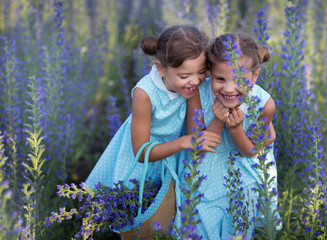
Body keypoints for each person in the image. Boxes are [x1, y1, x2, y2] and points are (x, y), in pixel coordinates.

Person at [85, 25, 221, 231]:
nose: (195, 81)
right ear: (161, 68)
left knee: (168, 216)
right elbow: (141, 152)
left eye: (202, 72)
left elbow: (196, 132)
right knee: (137, 215)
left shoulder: (191, 86)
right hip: (144, 160)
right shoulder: (145, 93)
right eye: (184, 76)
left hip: (173, 156)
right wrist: (185, 142)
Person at [181, 32, 280, 239]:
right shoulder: (198, 94)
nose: (228, 88)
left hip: (246, 171)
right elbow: (197, 144)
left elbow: (251, 151)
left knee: (240, 223)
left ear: (255, 76)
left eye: (239, 81)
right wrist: (218, 120)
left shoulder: (264, 104)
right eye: (219, 79)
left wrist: (235, 129)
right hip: (208, 166)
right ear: (209, 72)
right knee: (201, 221)